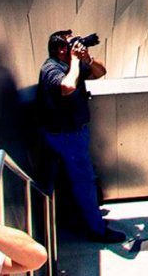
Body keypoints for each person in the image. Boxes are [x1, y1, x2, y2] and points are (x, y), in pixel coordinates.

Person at [36, 30, 126, 243]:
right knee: (84, 182)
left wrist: (87, 58)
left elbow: (100, 72)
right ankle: (97, 230)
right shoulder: (51, 68)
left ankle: (85, 220)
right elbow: (67, 87)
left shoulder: (71, 65)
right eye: (70, 44)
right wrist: (75, 61)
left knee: (82, 180)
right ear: (59, 49)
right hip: (65, 137)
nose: (75, 47)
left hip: (75, 133)